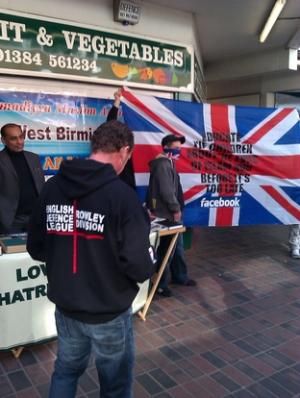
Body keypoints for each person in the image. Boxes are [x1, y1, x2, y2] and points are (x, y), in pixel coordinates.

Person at [26, 120, 156, 398]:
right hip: (108, 310)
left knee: (65, 371)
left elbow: (36, 247)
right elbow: (140, 266)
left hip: (67, 307)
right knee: (115, 385)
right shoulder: (123, 197)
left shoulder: (52, 188)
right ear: (123, 151)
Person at [147, 134, 196, 297]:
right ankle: (159, 284)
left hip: (172, 212)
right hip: (166, 214)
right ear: (167, 147)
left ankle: (180, 276)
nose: (179, 151)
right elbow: (167, 191)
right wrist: (175, 209)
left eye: (180, 149)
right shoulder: (162, 164)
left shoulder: (169, 162)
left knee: (177, 247)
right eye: (176, 148)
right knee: (166, 251)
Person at [0, 123, 45, 234]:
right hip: (11, 221)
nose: (19, 142)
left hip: (37, 218)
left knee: (38, 251)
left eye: (21, 137)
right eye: (14, 139)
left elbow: (41, 186)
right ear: (3, 140)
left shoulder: (34, 158)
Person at [107, 88, 136, 189]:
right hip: (115, 186)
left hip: (130, 188)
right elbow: (110, 123)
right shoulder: (115, 146)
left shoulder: (132, 150)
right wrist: (117, 102)